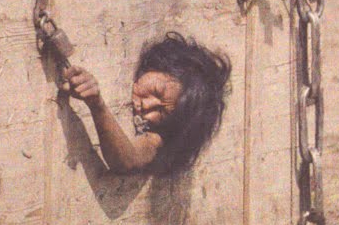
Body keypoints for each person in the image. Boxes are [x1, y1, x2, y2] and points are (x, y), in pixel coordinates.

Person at [60, 32, 231, 175]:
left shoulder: (161, 135)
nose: (147, 107)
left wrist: (97, 104)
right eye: (156, 91)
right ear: (156, 65)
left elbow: (128, 160)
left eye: (161, 113)